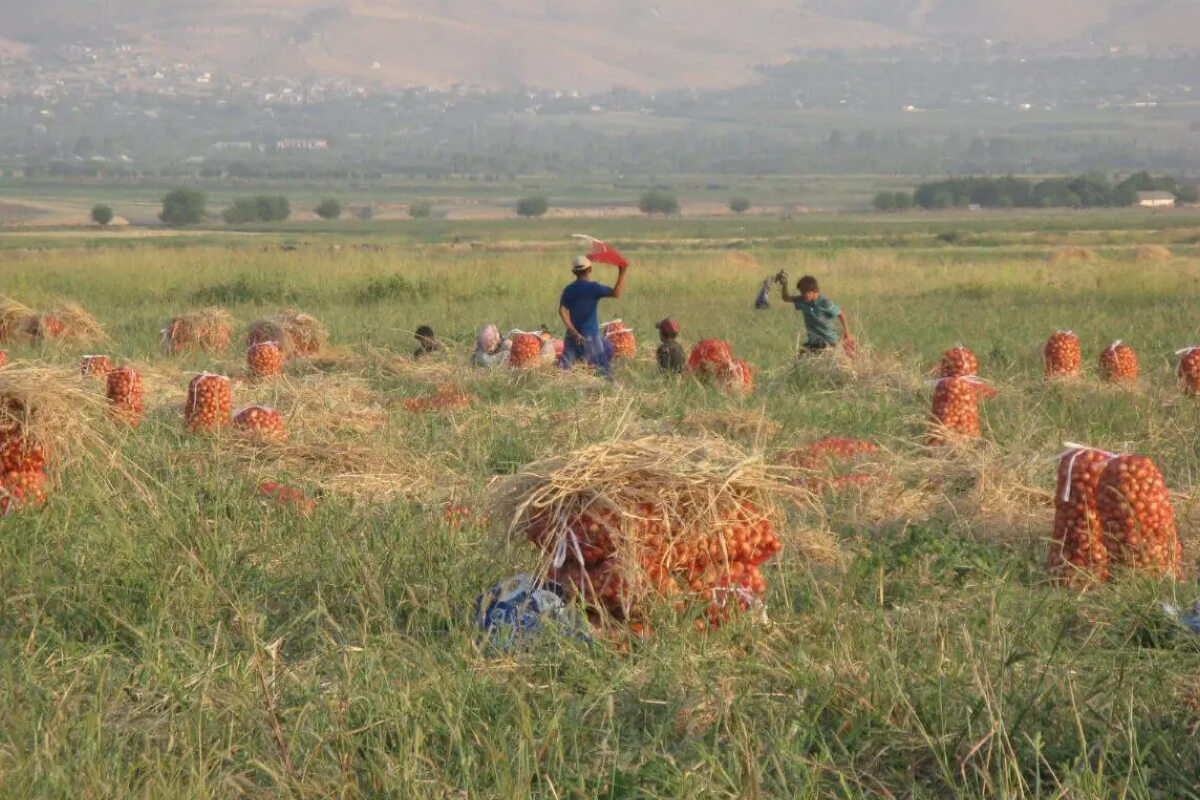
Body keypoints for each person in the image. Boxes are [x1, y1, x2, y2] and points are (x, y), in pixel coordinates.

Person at [558, 254, 628, 377]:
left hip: (572, 337)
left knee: (563, 372)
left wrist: (574, 332)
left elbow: (562, 311)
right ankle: (611, 388)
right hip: (590, 336)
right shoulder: (594, 288)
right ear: (590, 270)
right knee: (603, 372)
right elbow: (616, 293)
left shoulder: (568, 290)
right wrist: (622, 272)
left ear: (574, 272)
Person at [778, 274, 853, 353]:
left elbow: (841, 314)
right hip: (813, 342)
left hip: (828, 342)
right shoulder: (803, 300)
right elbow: (786, 298)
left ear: (813, 291)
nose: (802, 295)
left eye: (804, 293)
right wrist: (784, 284)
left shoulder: (825, 303)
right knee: (801, 358)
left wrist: (847, 334)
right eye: (801, 293)